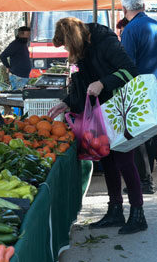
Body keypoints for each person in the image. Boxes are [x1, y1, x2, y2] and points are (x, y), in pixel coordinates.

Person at [47, 17, 148, 234]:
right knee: (108, 158)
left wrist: (103, 83)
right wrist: (65, 103)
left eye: (66, 45)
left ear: (73, 39)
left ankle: (138, 214)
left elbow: (131, 71)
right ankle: (115, 210)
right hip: (101, 112)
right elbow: (82, 83)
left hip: (120, 108)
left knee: (124, 159)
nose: (66, 49)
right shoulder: (83, 49)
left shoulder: (105, 41)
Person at [118, 0, 157, 191]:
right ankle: (145, 180)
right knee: (152, 133)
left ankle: (144, 181)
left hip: (138, 89)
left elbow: (128, 66)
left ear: (124, 8)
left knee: (138, 136)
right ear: (143, 6)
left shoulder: (130, 31)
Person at [0, 26, 32, 90]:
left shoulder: (23, 44)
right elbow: (2, 56)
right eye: (27, 34)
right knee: (18, 97)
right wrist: (8, 66)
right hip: (17, 77)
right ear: (21, 34)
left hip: (23, 77)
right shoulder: (15, 44)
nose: (29, 37)